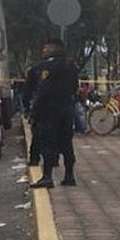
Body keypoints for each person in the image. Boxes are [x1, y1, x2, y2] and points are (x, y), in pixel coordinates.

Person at [29, 38, 79, 189]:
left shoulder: (44, 67)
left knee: (48, 144)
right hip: (67, 109)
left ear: (54, 48)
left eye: (46, 47)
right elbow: (75, 87)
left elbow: (42, 90)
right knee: (66, 143)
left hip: (49, 111)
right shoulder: (71, 66)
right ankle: (69, 176)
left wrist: (33, 109)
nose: (44, 50)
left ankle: (47, 177)